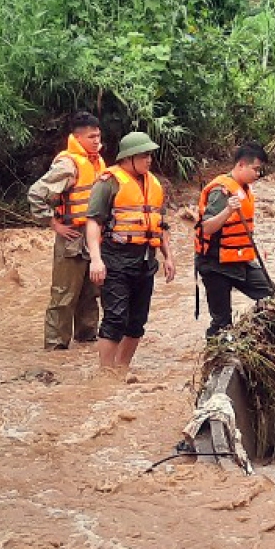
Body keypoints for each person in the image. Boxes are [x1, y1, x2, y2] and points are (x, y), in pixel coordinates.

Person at [85, 131, 176, 373]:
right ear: (128, 158)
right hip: (115, 258)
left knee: (137, 322)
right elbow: (93, 222)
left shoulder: (154, 185)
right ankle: (105, 373)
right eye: (144, 155)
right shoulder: (108, 183)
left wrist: (168, 256)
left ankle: (122, 369)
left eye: (150, 155)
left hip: (146, 260)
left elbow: (160, 224)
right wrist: (96, 259)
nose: (149, 160)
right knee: (115, 319)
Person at [27, 112, 106, 350]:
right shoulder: (68, 164)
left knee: (90, 295)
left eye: (98, 135)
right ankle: (55, 347)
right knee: (64, 296)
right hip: (71, 237)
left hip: (94, 237)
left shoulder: (97, 162)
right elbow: (36, 193)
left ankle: (87, 340)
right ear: (77, 137)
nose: (96, 140)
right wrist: (53, 223)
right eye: (91, 136)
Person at [194, 143, 274, 340]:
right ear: (241, 165)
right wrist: (227, 210)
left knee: (272, 297)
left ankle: (262, 337)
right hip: (216, 265)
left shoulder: (245, 189)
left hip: (240, 260)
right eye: (255, 169)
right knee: (222, 322)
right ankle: (217, 357)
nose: (258, 174)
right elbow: (206, 227)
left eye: (260, 170)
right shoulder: (221, 191)